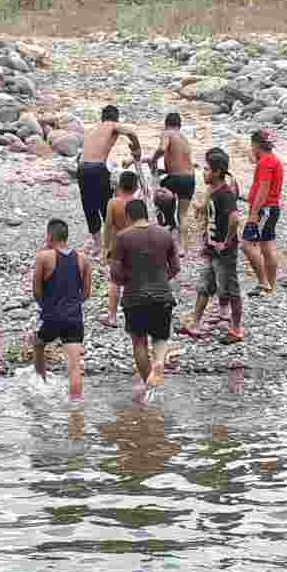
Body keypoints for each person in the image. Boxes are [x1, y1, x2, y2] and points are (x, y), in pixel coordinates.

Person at [110, 199, 179, 388]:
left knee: (139, 343)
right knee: (160, 336)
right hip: (162, 295)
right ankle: (158, 362)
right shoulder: (164, 234)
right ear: (146, 214)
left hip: (134, 297)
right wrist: (163, 280)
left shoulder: (122, 237)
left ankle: (149, 385)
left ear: (128, 216)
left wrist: (128, 281)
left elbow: (115, 273)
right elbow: (175, 267)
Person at [180, 152, 244, 343]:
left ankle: (236, 329)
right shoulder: (212, 191)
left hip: (224, 252)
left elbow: (234, 218)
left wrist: (226, 242)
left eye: (207, 169)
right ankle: (195, 324)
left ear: (217, 172)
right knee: (204, 286)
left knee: (231, 290)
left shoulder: (225, 194)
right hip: (211, 249)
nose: (203, 173)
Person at [32, 218, 92, 399]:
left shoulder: (43, 257)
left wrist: (45, 307)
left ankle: (40, 383)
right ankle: (76, 410)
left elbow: (36, 290)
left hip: (52, 316)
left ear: (49, 236)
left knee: (38, 344)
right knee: (74, 367)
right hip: (74, 318)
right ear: (66, 236)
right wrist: (73, 305)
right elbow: (87, 293)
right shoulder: (83, 259)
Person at [78, 104, 142, 255]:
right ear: (116, 118)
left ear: (102, 117)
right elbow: (131, 132)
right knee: (106, 205)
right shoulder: (113, 125)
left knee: (89, 206)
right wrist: (137, 149)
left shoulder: (94, 129)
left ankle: (97, 245)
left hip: (81, 168)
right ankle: (111, 245)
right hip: (97, 168)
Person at [241, 129, 284, 296]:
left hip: (264, 210)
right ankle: (269, 287)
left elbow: (263, 188)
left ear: (256, 145)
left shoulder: (265, 163)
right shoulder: (274, 160)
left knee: (247, 244)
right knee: (267, 247)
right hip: (272, 209)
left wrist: (254, 213)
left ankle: (263, 283)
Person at [150, 112, 196, 254]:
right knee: (182, 214)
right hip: (189, 179)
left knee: (158, 196)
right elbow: (180, 162)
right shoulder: (183, 138)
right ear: (180, 125)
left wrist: (153, 159)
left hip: (175, 178)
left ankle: (167, 223)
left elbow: (162, 149)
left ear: (166, 124)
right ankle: (181, 248)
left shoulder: (167, 133)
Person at [101, 170, 139, 328]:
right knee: (134, 281)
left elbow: (108, 225)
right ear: (136, 187)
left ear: (119, 186)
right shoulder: (138, 203)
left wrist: (106, 247)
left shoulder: (113, 203)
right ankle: (135, 315)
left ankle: (112, 317)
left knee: (115, 281)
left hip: (117, 245)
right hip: (135, 245)